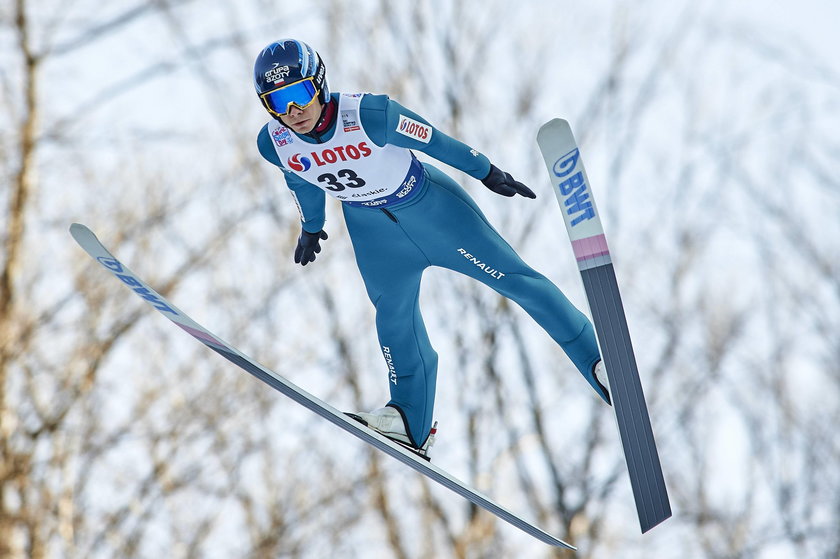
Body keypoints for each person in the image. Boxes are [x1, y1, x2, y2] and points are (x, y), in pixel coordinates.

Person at [254, 39, 610, 458]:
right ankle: (409, 421)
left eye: (298, 94)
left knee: (517, 282)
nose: (292, 110)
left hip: (432, 212)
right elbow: (299, 179)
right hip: (374, 234)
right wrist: (312, 227)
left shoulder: (370, 115)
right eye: (277, 100)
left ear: (318, 83)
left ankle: (599, 363)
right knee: (393, 321)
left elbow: (435, 142)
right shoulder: (274, 142)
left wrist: (488, 172)